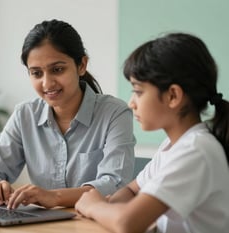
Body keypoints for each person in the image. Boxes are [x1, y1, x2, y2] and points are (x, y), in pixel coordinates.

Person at [75, 32, 229, 233]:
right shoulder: (173, 145)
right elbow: (131, 190)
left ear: (173, 95)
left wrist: (94, 206)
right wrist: (112, 210)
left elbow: (127, 224)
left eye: (138, 91)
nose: (131, 103)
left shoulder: (196, 151)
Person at [0, 19, 135, 210]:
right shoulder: (25, 114)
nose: (47, 83)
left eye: (57, 70)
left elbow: (115, 183)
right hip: (43, 225)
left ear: (81, 65)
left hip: (93, 224)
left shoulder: (115, 113)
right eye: (36, 73)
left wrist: (54, 197)